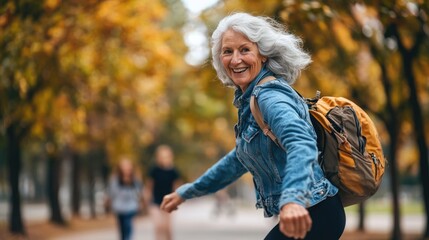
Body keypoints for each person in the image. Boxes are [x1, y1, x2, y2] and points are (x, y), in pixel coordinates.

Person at [160, 12, 346, 240]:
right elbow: (238, 159)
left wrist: (293, 200)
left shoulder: (269, 96)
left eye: (245, 49)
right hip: (313, 212)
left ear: (264, 55)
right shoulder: (251, 101)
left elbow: (301, 142)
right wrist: (187, 192)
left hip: (316, 212)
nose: (235, 59)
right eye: (228, 51)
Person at [145, 145, 181, 240]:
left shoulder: (173, 171)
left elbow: (176, 187)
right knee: (158, 227)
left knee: (167, 228)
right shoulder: (154, 170)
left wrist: (176, 200)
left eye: (166, 156)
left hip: (168, 202)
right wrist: (147, 201)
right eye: (162, 156)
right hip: (155, 202)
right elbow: (149, 186)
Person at [106, 158, 143, 240]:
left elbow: (138, 192)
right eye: (124, 166)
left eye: (128, 166)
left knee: (128, 225)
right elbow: (112, 193)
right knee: (122, 228)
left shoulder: (135, 179)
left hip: (131, 207)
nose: (126, 168)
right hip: (119, 207)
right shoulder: (115, 180)